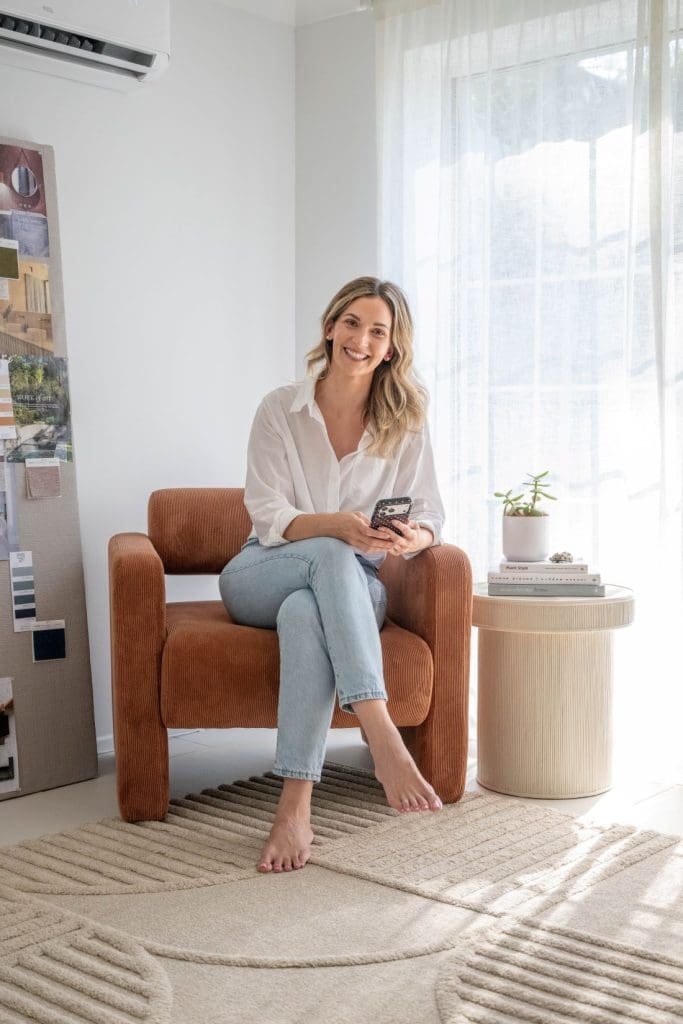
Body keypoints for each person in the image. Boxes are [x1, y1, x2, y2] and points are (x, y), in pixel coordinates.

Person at [219, 276, 446, 875]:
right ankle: (382, 732)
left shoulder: (407, 420)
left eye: (378, 331)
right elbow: (268, 516)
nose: (362, 339)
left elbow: (431, 517)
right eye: (352, 323)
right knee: (327, 552)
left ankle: (295, 807)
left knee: (306, 611)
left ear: (392, 347)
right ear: (330, 326)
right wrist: (340, 528)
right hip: (261, 569)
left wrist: (409, 537)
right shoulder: (280, 408)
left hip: (351, 587)